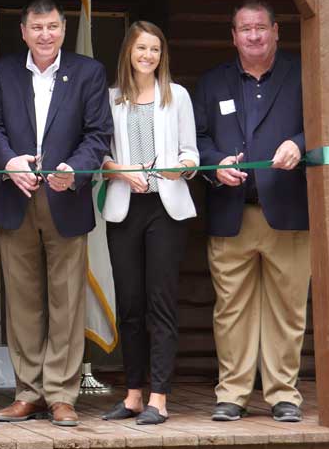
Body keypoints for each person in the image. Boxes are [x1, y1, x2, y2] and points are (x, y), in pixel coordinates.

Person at [0, 0, 112, 428]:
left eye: (53, 26)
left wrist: (73, 171)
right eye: (36, 27)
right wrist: (9, 161)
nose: (45, 35)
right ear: (23, 32)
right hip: (16, 197)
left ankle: (61, 394)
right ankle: (28, 393)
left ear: (63, 29)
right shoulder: (3, 71)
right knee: (22, 302)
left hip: (66, 197)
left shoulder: (88, 72)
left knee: (67, 302)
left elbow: (98, 134)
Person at [193, 0, 308, 424]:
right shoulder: (212, 82)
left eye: (261, 27)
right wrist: (215, 164)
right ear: (234, 36)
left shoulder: (302, 74)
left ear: (276, 31)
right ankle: (234, 393)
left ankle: (283, 394)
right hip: (231, 212)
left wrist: (300, 142)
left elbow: (323, 122)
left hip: (289, 211)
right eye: (245, 29)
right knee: (231, 309)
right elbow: (199, 139)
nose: (254, 35)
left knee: (288, 308)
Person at [98, 22, 198, 426]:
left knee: (160, 303)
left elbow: (191, 152)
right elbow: (100, 158)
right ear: (128, 52)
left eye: (155, 49)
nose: (148, 56)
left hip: (165, 209)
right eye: (141, 48)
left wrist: (182, 168)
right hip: (124, 210)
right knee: (130, 306)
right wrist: (121, 171)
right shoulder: (109, 99)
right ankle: (134, 394)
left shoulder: (178, 97)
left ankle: (159, 397)